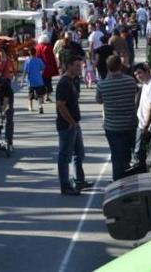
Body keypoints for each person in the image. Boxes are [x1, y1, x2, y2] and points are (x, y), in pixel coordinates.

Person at [96, 55, 138, 181]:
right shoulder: (131, 81)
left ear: (108, 68)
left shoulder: (102, 84)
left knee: (116, 154)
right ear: (120, 65)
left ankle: (118, 179)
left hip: (112, 125)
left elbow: (98, 100)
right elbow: (135, 95)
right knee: (127, 153)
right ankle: (127, 176)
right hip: (130, 123)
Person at [55, 55, 91, 195]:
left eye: (80, 65)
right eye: (77, 65)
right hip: (67, 125)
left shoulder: (73, 81)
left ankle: (79, 180)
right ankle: (65, 185)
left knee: (79, 153)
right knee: (65, 156)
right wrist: (71, 122)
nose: (80, 68)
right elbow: (60, 105)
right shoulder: (64, 83)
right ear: (69, 66)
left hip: (74, 123)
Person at [132, 63, 151, 168]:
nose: (138, 76)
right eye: (136, 75)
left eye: (140, 73)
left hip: (149, 126)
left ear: (147, 71)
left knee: (143, 153)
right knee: (140, 152)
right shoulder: (146, 84)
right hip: (144, 124)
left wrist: (146, 126)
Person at [0, 75, 15, 148]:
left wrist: (3, 112)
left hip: (6, 101)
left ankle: (9, 141)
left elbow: (6, 102)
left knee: (9, 120)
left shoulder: (6, 87)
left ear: (1, 84)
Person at [21, 47, 46, 113]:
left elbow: (25, 72)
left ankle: (30, 107)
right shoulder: (39, 60)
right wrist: (41, 73)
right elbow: (43, 68)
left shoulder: (27, 61)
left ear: (29, 53)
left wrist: (22, 81)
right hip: (39, 80)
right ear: (36, 52)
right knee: (40, 95)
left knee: (30, 94)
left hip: (30, 81)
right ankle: (40, 106)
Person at [36, 34, 59, 102]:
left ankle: (41, 97)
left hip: (40, 69)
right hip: (48, 68)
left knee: (41, 83)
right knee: (48, 82)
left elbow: (36, 57)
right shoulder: (49, 47)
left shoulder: (37, 47)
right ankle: (47, 97)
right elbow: (52, 58)